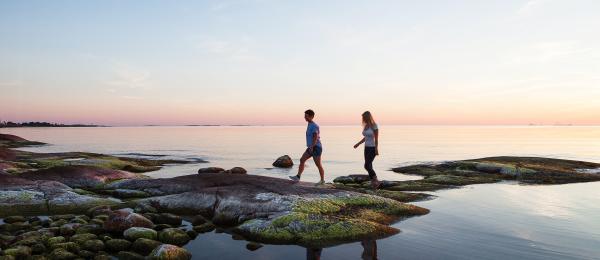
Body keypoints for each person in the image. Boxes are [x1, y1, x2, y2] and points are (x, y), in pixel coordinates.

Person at [289, 109, 326, 186]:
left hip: (316, 147)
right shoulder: (309, 124)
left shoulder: (314, 126)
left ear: (311, 116)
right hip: (311, 147)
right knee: (302, 160)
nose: (304, 117)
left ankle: (322, 180)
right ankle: (298, 176)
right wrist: (311, 147)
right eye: (304, 116)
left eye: (306, 116)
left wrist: (312, 147)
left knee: (318, 165)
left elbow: (315, 136)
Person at [353, 111, 380, 189]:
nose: (363, 119)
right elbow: (366, 137)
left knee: (367, 165)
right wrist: (358, 144)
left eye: (364, 117)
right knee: (369, 165)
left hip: (372, 148)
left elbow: (376, 138)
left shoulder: (374, 126)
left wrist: (376, 149)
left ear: (367, 117)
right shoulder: (365, 126)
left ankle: (376, 180)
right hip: (366, 148)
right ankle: (373, 183)